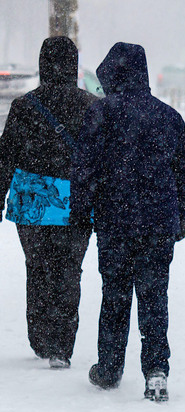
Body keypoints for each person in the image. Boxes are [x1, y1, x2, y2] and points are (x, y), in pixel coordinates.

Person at [70, 42, 185, 402]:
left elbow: (84, 171)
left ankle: (109, 368)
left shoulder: (101, 114)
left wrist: (83, 213)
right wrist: (180, 217)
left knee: (115, 295)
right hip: (158, 225)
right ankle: (156, 370)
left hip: (115, 223)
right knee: (155, 297)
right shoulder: (169, 117)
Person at [0, 37, 97, 369]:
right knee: (69, 270)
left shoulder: (25, 106)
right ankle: (62, 346)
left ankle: (41, 337)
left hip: (33, 201)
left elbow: (5, 157)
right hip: (76, 200)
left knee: (38, 268)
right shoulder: (90, 106)